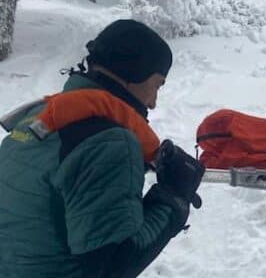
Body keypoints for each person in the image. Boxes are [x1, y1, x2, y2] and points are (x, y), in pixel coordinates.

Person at [0, 19, 205, 277]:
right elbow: (112, 264)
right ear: (135, 72)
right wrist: (174, 197)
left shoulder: (39, 118)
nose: (153, 103)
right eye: (157, 85)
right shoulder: (111, 143)